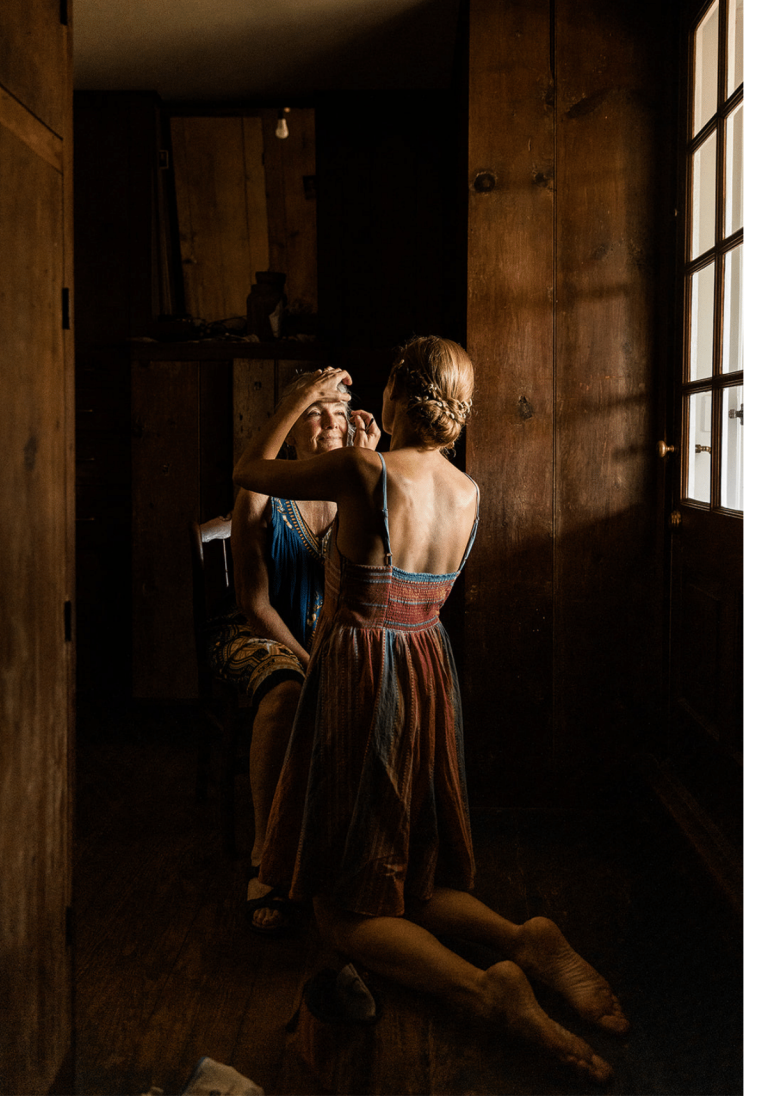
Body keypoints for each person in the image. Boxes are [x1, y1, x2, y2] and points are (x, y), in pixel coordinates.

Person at [232, 338, 628, 1083]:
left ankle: (489, 989)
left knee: (338, 907)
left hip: (361, 668)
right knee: (406, 867)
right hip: (426, 664)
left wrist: (296, 396)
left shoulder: (363, 471)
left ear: (397, 397)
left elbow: (249, 473)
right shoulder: (467, 492)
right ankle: (522, 936)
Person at [211, 381, 380, 933]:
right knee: (286, 692)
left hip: (333, 640)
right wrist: (308, 660)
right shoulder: (262, 495)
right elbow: (252, 603)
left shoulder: (359, 491)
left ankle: (354, 858)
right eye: (314, 412)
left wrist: (373, 461)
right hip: (259, 635)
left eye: (339, 410)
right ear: (288, 430)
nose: (330, 421)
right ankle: (266, 857)